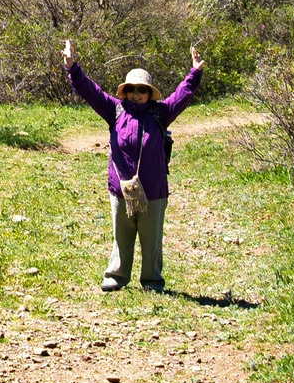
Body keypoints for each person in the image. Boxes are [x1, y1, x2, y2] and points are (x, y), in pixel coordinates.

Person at [63, 37, 203, 292]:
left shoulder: (161, 112)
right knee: (122, 236)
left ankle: (152, 281)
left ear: (149, 93)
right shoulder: (114, 110)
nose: (136, 94)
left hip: (154, 190)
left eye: (142, 90)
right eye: (131, 89)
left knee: (151, 240)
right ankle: (116, 277)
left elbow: (183, 95)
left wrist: (194, 72)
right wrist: (72, 66)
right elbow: (89, 90)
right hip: (121, 189)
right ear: (124, 91)